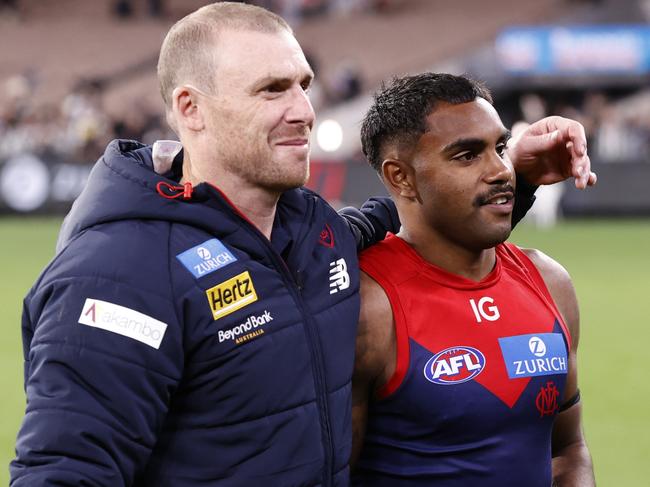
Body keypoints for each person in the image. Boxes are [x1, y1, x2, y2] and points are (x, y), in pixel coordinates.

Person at [11, 3, 594, 486]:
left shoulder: (313, 234)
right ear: (191, 109)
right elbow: (65, 470)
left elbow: (422, 218)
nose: (303, 111)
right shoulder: (118, 272)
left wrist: (507, 173)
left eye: (304, 84)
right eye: (272, 90)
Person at [351, 73, 595, 486]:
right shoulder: (368, 307)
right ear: (400, 177)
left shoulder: (549, 282)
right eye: (466, 155)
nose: (502, 170)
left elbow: (567, 451)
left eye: (500, 148)